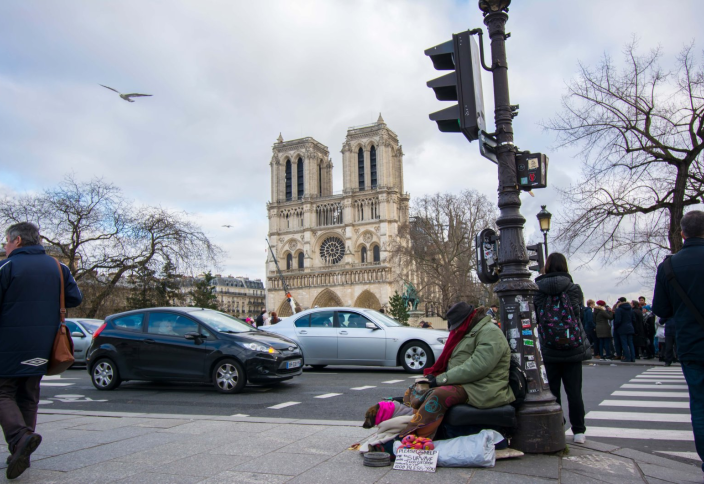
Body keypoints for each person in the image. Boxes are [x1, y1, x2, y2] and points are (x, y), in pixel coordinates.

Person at [0, 222, 83, 480]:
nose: (4, 246)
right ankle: (20, 452)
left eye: (6, 241)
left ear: (18, 241)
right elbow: (74, 298)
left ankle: (20, 437)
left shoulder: (7, 266)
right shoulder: (59, 267)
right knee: (29, 394)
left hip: (9, 343)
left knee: (3, 390)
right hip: (44, 344)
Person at [398, 303, 514, 439]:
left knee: (439, 395)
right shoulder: (470, 331)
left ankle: (415, 437)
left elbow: (478, 367)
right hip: (469, 383)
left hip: (484, 387)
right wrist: (434, 378)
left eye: (457, 325)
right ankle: (408, 421)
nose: (456, 330)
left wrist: (442, 379)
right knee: (417, 388)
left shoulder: (490, 332)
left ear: (467, 320)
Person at [652, 210, 704, 473]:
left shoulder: (669, 266)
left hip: (692, 343)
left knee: (700, 403)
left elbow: (661, 309)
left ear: (682, 233)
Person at [533, 253, 590, 444]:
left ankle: (557, 425)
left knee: (553, 392)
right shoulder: (573, 288)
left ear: (546, 266)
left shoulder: (537, 289)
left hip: (548, 347)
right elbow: (577, 315)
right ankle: (579, 431)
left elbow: (537, 319)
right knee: (575, 392)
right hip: (572, 345)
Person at [614, 297, 636, 362]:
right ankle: (633, 357)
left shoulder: (619, 309)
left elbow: (618, 320)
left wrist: (616, 327)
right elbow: (634, 319)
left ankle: (627, 357)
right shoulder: (630, 309)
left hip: (622, 328)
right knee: (631, 343)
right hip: (630, 327)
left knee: (624, 343)